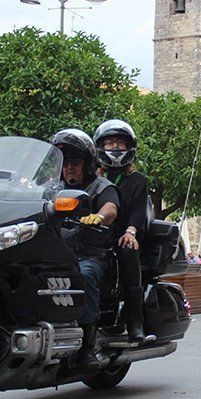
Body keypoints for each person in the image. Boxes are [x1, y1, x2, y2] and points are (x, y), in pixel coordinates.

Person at [52, 129, 120, 369]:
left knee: (84, 275)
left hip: (90, 255)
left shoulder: (101, 187)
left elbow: (111, 207)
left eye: (75, 162)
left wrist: (99, 217)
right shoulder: (51, 189)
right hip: (54, 254)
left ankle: (87, 347)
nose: (69, 167)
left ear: (88, 164)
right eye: (64, 162)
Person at [94, 119, 149, 344]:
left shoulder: (137, 180)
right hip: (92, 234)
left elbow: (138, 210)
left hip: (121, 234)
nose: (115, 148)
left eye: (119, 143)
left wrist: (131, 231)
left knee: (127, 251)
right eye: (109, 143)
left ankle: (135, 321)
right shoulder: (95, 179)